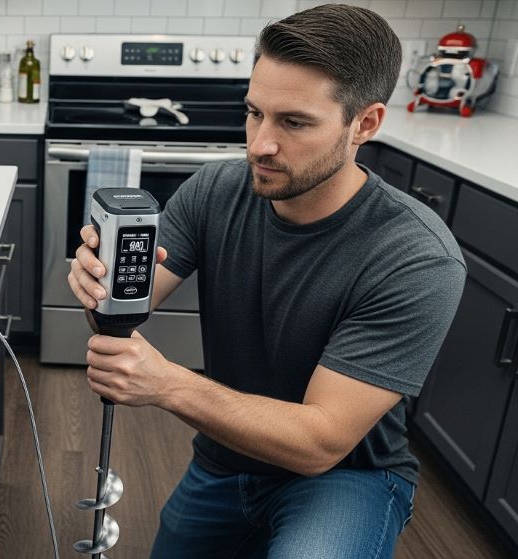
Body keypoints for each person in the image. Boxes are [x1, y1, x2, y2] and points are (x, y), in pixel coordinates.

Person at [66, 5, 467, 558]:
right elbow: (123, 308)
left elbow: (319, 442)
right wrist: (100, 286)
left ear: (365, 124)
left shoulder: (415, 257)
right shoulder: (214, 191)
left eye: (294, 122)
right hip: (226, 455)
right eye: (254, 113)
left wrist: (170, 384)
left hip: (345, 477)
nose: (259, 144)